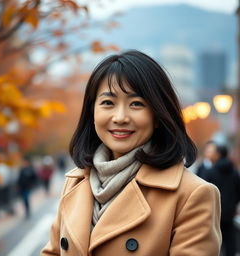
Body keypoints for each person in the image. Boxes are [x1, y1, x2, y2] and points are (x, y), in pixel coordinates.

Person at [41, 50, 221, 256]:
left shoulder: (193, 194)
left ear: (157, 115)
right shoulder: (75, 182)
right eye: (108, 103)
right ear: (92, 112)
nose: (120, 117)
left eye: (136, 104)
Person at [207, 144, 240, 256]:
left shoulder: (211, 171)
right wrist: (233, 205)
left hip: (215, 212)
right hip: (230, 212)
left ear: (218, 154)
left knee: (215, 240)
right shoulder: (234, 172)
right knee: (230, 242)